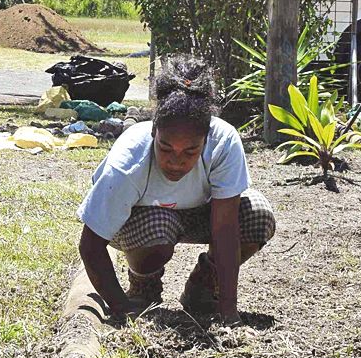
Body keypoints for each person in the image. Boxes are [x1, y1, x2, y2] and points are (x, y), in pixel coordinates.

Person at [76, 60, 277, 319]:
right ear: (153, 133)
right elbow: (91, 246)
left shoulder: (223, 142)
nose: (176, 161)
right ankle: (143, 285)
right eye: (166, 148)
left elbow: (225, 228)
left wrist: (229, 311)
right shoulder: (128, 163)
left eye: (190, 151)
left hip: (201, 212)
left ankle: (203, 288)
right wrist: (121, 308)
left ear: (206, 139)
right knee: (160, 224)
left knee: (257, 214)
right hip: (141, 222)